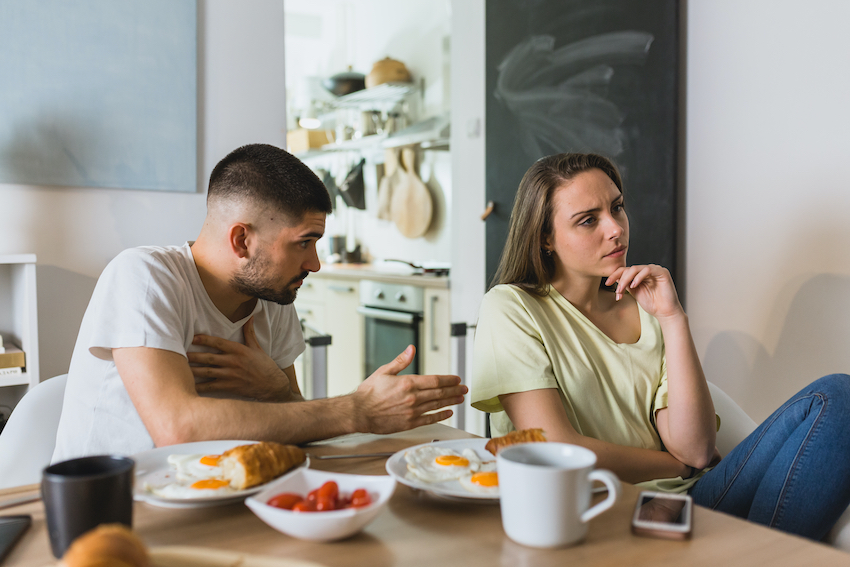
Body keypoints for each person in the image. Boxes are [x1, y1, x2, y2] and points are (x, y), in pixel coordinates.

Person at [471, 152, 850, 540]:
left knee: (838, 398)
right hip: (600, 509)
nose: (615, 228)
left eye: (617, 208)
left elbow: (696, 449)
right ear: (545, 238)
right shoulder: (512, 308)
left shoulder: (649, 310)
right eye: (588, 220)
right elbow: (555, 448)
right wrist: (674, 467)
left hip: (694, 500)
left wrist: (673, 319)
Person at [52, 143, 466, 462]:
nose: (316, 264)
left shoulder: (275, 299)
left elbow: (298, 422)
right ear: (241, 240)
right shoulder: (143, 276)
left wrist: (275, 389)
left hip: (218, 499)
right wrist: (356, 410)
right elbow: (178, 431)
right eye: (304, 243)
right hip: (111, 511)